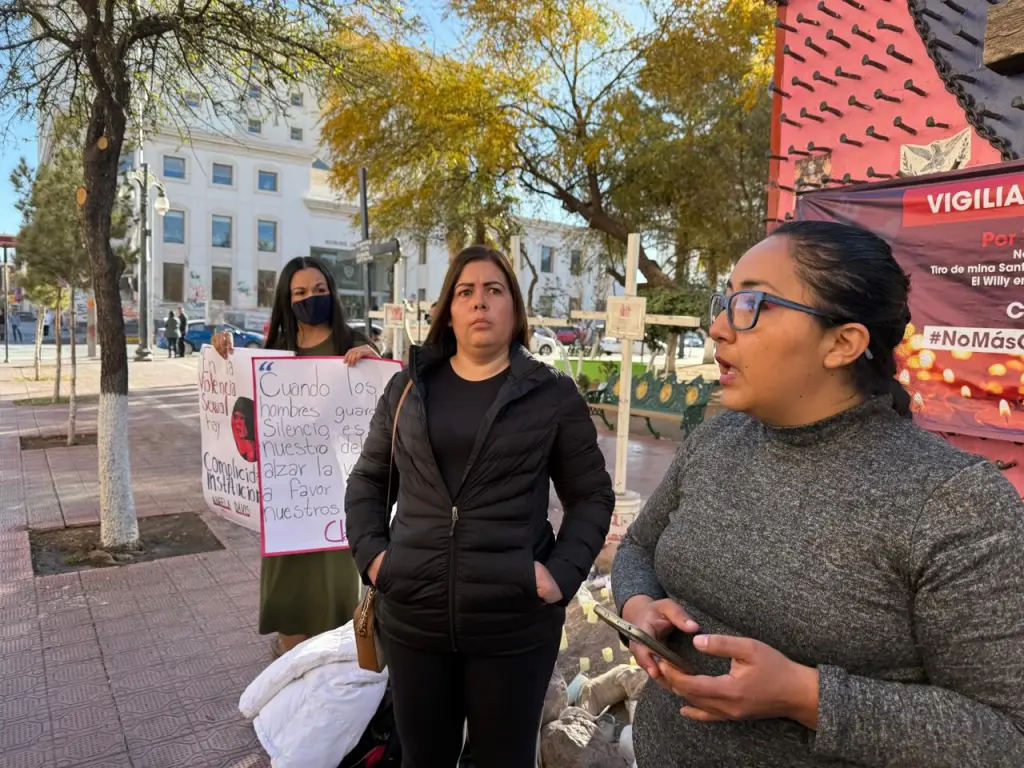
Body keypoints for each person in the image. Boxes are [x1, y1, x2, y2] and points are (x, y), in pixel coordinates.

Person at [611, 220, 1024, 767]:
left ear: (842, 343)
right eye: (725, 301)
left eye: (752, 304)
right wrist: (638, 606)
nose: (718, 328)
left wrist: (807, 698)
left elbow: (1007, 736)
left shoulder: (955, 502)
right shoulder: (717, 439)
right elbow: (639, 547)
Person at [346, 245, 615, 768]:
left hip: (512, 623)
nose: (479, 302)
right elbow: (369, 479)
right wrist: (375, 558)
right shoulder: (408, 388)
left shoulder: (552, 395)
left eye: (494, 290)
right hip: (415, 617)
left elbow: (591, 496)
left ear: (514, 307)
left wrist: (559, 575)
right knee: (422, 759)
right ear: (448, 309)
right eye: (465, 292)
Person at [212, 255, 378, 656]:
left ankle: (334, 672)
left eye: (319, 290)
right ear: (287, 300)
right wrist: (224, 353)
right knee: (290, 599)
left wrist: (375, 366)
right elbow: (243, 401)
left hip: (336, 498)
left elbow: (381, 405)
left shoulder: (353, 345)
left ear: (332, 293)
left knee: (337, 595)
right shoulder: (275, 351)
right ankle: (290, 665)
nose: (310, 298)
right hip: (286, 499)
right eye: (300, 292)